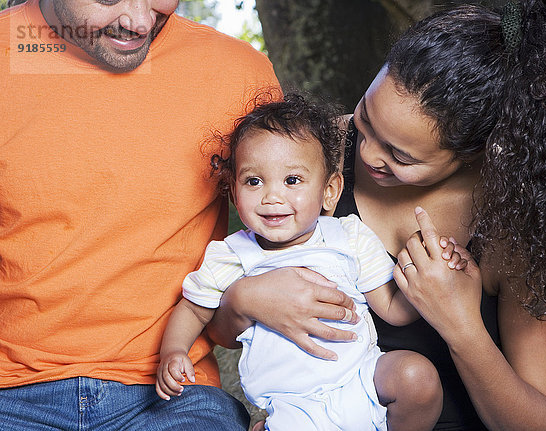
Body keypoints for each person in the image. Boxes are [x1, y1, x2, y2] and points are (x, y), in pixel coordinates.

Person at [208, 1, 546, 430]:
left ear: (471, 154)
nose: (365, 151)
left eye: (399, 155)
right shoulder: (306, 161)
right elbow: (221, 324)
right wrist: (246, 299)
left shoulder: (518, 223)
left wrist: (461, 326)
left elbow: (545, 424)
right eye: (365, 116)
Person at [0, 1, 280, 430]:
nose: (140, 21)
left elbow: (297, 239)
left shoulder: (239, 75)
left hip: (175, 398)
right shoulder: (9, 51)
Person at [155, 94, 467, 430]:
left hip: (360, 380)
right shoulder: (232, 255)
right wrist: (173, 351)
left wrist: (429, 273)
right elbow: (192, 309)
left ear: (330, 191)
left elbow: (393, 308)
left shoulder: (348, 236)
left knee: (417, 377)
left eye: (292, 181)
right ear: (233, 192)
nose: (272, 197)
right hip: (294, 404)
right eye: (253, 181)